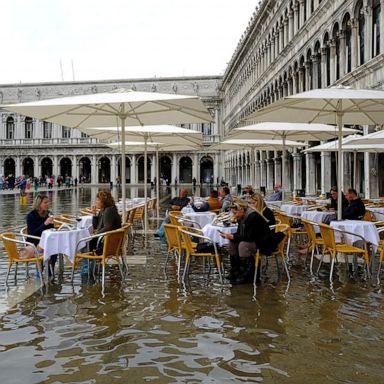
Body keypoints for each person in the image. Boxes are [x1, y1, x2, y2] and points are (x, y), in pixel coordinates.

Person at [219, 201, 284, 284]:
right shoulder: (241, 217)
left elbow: (249, 237)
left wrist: (233, 236)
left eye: (235, 213)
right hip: (253, 240)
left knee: (243, 245)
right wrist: (229, 236)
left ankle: (248, 274)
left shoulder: (253, 217)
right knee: (232, 243)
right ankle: (236, 271)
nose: (234, 215)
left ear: (241, 209)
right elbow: (240, 233)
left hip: (263, 242)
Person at [26, 194, 55, 278]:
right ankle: (39, 272)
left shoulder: (48, 214)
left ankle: (50, 268)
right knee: (44, 248)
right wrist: (45, 224)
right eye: (45, 203)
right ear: (39, 204)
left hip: (45, 240)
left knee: (56, 247)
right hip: (34, 241)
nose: (47, 204)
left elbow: (50, 230)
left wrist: (51, 224)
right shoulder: (31, 216)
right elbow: (32, 234)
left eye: (48, 202)